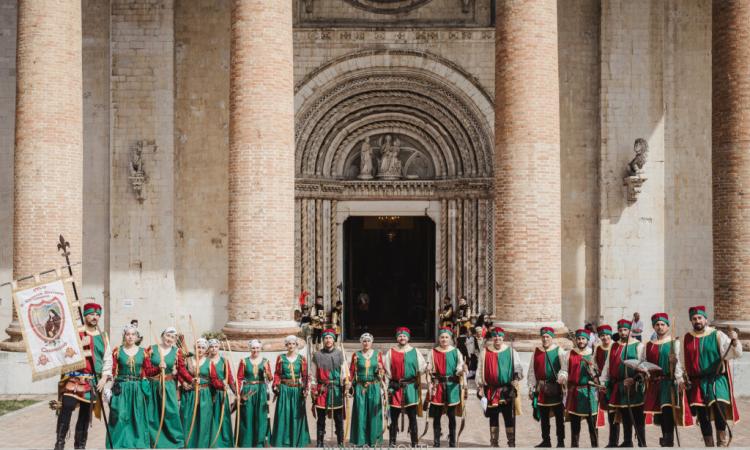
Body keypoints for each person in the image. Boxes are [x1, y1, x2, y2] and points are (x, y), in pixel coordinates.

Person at [53, 302, 112, 450]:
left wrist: (104, 378)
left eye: (98, 315)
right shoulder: (75, 332)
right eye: (92, 314)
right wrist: (79, 345)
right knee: (67, 407)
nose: (95, 317)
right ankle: (59, 444)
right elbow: (63, 352)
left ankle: (80, 446)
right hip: (73, 378)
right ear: (85, 315)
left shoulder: (103, 336)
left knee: (85, 416)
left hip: (92, 381)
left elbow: (108, 359)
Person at [683, 305, 742, 447]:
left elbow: (734, 354)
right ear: (691, 321)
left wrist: (734, 341)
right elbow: (686, 361)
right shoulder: (688, 338)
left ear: (706, 319)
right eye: (694, 319)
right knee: (703, 417)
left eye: (699, 318)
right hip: (697, 382)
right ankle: (709, 446)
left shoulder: (717, 335)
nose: (697, 321)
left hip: (717, 379)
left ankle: (721, 443)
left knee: (719, 411)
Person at [643, 313, 688, 448]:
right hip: (655, 383)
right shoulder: (649, 345)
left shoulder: (674, 342)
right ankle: (666, 439)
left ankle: (669, 441)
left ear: (667, 326)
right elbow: (645, 363)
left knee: (668, 412)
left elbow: (679, 363)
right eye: (657, 325)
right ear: (653, 327)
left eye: (663, 324)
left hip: (669, 382)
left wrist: (679, 378)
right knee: (661, 414)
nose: (660, 327)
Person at [600, 319, 646, 447]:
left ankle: (642, 443)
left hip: (634, 386)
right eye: (620, 330)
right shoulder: (613, 346)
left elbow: (643, 367)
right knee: (625, 414)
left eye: (625, 330)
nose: (623, 332)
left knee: (637, 416)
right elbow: (607, 366)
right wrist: (603, 382)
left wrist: (635, 379)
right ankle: (627, 441)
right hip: (619, 385)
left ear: (630, 331)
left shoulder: (639, 346)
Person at [144, 327, 192, 448]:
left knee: (171, 413)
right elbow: (146, 370)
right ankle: (153, 441)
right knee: (153, 414)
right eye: (167, 336)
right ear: (162, 335)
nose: (169, 339)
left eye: (172, 337)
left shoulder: (177, 352)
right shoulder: (151, 349)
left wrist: (191, 380)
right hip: (153, 385)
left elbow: (181, 369)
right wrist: (158, 368)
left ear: (175, 339)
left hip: (169, 386)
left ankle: (176, 441)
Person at [475, 327, 522, 447]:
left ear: (503, 338)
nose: (497, 338)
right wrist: (480, 386)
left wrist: (516, 378)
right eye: (495, 336)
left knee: (508, 417)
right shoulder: (485, 352)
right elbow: (480, 370)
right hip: (491, 390)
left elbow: (518, 368)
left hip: (507, 390)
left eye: (499, 336)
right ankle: (494, 442)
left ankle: (511, 442)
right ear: (492, 338)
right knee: (493, 417)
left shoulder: (511, 352)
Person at [107, 324, 152, 449]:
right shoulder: (118, 351)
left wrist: (161, 367)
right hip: (121, 388)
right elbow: (111, 370)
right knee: (120, 416)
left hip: (137, 388)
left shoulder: (143, 352)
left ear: (137, 337)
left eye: (133, 334)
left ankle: (137, 444)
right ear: (124, 336)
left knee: (136, 416)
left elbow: (148, 371)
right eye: (128, 334)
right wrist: (107, 386)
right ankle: (119, 444)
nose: (130, 337)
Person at [384, 326, 427, 446]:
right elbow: (387, 371)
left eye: (404, 336)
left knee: (412, 416)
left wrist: (427, 368)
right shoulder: (391, 352)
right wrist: (387, 388)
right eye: (400, 336)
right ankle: (392, 442)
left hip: (411, 387)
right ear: (397, 338)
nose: (402, 338)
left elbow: (422, 367)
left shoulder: (415, 351)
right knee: (393, 416)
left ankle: (414, 442)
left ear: (408, 338)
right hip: (395, 388)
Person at [558, 329, 599, 448]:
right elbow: (564, 370)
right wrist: (562, 377)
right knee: (575, 427)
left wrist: (594, 373)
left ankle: (595, 446)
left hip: (589, 392)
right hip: (574, 392)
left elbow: (598, 372)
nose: (581, 341)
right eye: (579, 339)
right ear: (576, 340)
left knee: (592, 425)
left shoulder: (593, 353)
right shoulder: (569, 353)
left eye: (583, 339)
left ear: (587, 340)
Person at [426, 327, 466, 448]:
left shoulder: (456, 351)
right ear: (439, 338)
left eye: (446, 337)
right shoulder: (432, 352)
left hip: (452, 387)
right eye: (442, 337)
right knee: (437, 416)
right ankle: (436, 441)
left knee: (451, 416)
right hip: (438, 387)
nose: (444, 339)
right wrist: (428, 371)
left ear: (450, 339)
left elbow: (460, 366)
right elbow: (428, 367)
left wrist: (461, 370)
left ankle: (452, 441)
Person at [310, 329, 350, 447]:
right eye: (326, 338)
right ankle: (320, 442)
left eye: (330, 338)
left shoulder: (340, 354)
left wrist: (346, 383)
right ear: (323, 340)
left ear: (334, 340)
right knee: (321, 418)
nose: (328, 340)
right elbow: (313, 374)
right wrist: (313, 388)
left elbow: (345, 372)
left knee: (338, 418)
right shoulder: (317, 355)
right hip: (322, 389)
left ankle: (340, 442)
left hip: (336, 389)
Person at [527, 326, 565, 448]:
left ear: (551, 338)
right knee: (544, 417)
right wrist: (531, 387)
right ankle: (546, 441)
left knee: (559, 417)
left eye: (547, 336)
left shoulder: (559, 350)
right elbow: (532, 370)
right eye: (543, 336)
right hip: (541, 388)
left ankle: (560, 441)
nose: (545, 339)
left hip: (555, 388)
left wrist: (562, 378)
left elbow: (564, 368)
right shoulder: (536, 351)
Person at [270, 335, 311, 447]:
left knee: (296, 415)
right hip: (284, 390)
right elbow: (277, 374)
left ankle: (296, 439)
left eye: (293, 344)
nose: (291, 346)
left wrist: (306, 388)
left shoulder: (301, 359)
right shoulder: (281, 358)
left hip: (297, 390)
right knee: (283, 414)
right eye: (289, 344)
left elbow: (305, 375)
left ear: (296, 345)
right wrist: (275, 385)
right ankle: (282, 440)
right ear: (286, 345)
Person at [348, 333, 385, 447]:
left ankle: (373, 440)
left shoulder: (378, 355)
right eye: (364, 341)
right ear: (361, 342)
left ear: (372, 342)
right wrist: (349, 385)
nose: (366, 343)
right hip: (360, 387)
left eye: (368, 341)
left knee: (373, 413)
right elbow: (352, 372)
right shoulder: (356, 355)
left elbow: (382, 373)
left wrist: (380, 371)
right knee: (360, 413)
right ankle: (360, 440)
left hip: (374, 386)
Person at [237, 339, 273, 447]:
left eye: (257, 348)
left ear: (260, 348)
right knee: (247, 414)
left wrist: (267, 372)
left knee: (260, 415)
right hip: (248, 391)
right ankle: (246, 441)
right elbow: (239, 378)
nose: (255, 350)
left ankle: (260, 441)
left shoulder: (265, 361)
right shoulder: (244, 361)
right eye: (253, 348)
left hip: (261, 390)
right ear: (250, 348)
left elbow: (270, 378)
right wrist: (238, 393)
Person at [180, 338, 213, 449]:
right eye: (198, 347)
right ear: (195, 347)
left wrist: (203, 381)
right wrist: (183, 382)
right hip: (189, 394)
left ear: (206, 350)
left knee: (202, 420)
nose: (200, 349)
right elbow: (180, 373)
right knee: (187, 418)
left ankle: (201, 445)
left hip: (203, 394)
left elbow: (213, 379)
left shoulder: (209, 362)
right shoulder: (187, 360)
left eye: (203, 348)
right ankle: (186, 444)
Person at [594, 324, 619, 448]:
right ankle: (612, 441)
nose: (605, 338)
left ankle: (621, 440)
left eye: (607, 335)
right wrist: (596, 378)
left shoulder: (615, 347)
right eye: (602, 335)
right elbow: (593, 365)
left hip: (614, 384)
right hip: (603, 385)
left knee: (617, 413)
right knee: (610, 413)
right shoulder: (597, 348)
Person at [207, 338, 234, 448]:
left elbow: (230, 377)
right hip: (209, 392)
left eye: (216, 347)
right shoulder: (206, 360)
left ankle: (224, 441)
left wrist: (235, 390)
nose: (214, 349)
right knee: (210, 416)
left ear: (218, 348)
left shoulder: (224, 361)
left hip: (221, 393)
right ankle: (211, 440)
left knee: (223, 417)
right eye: (212, 347)